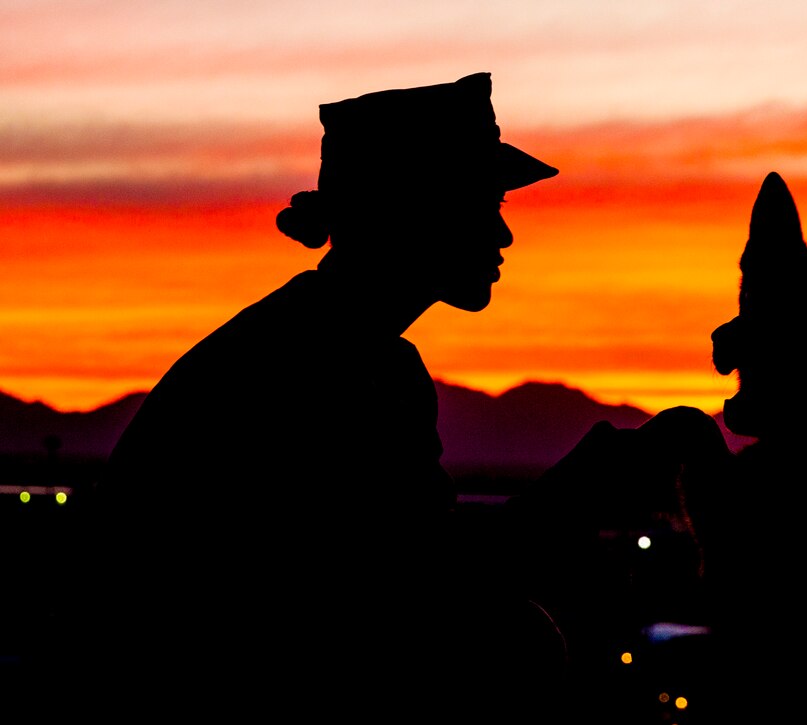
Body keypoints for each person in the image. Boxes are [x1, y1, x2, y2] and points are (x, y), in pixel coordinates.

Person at [84, 72, 565, 720]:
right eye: (487, 204)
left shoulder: (352, 353)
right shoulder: (316, 366)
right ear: (417, 208)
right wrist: (574, 497)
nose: (503, 237)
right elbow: (405, 596)